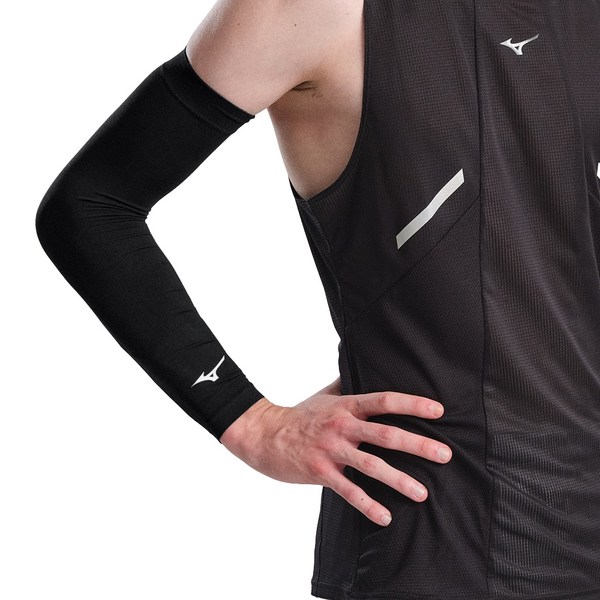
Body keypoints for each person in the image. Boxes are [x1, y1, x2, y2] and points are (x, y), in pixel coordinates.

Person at [34, 0, 600, 598]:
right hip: (442, 530)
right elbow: (89, 207)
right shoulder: (315, 8)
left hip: (583, 510)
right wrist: (250, 421)